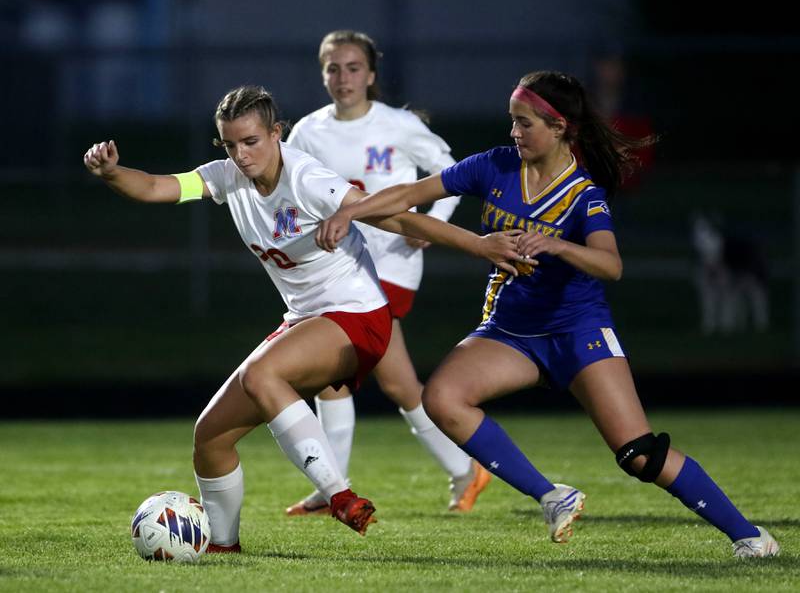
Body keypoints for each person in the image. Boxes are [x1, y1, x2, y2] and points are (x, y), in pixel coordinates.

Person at [316, 71, 781, 558]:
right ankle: (552, 495)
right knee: (444, 398)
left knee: (638, 455)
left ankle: (749, 536)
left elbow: (611, 265)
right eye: (511, 122)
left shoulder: (584, 194)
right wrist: (353, 210)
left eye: (525, 123)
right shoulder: (494, 166)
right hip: (511, 332)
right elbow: (412, 194)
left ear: (559, 127)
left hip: (578, 332)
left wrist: (558, 244)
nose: (514, 133)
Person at [82, 85, 521, 551]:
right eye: (230, 145)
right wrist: (111, 172)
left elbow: (396, 217)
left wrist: (478, 244)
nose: (241, 155)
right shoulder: (227, 176)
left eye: (251, 141)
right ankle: (224, 545)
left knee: (263, 374)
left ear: (276, 133)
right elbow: (154, 187)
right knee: (210, 437)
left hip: (358, 315)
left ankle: (338, 495)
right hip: (306, 320)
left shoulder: (308, 178)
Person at [284, 29, 490, 516]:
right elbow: (291, 192)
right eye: (333, 68)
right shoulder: (308, 132)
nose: (343, 77)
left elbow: (451, 172)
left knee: (390, 380)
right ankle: (333, 485)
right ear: (323, 74)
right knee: (336, 376)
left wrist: (432, 223)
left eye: (353, 68)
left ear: (371, 74)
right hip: (339, 268)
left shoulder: (397, 125)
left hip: (392, 264)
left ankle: (464, 468)